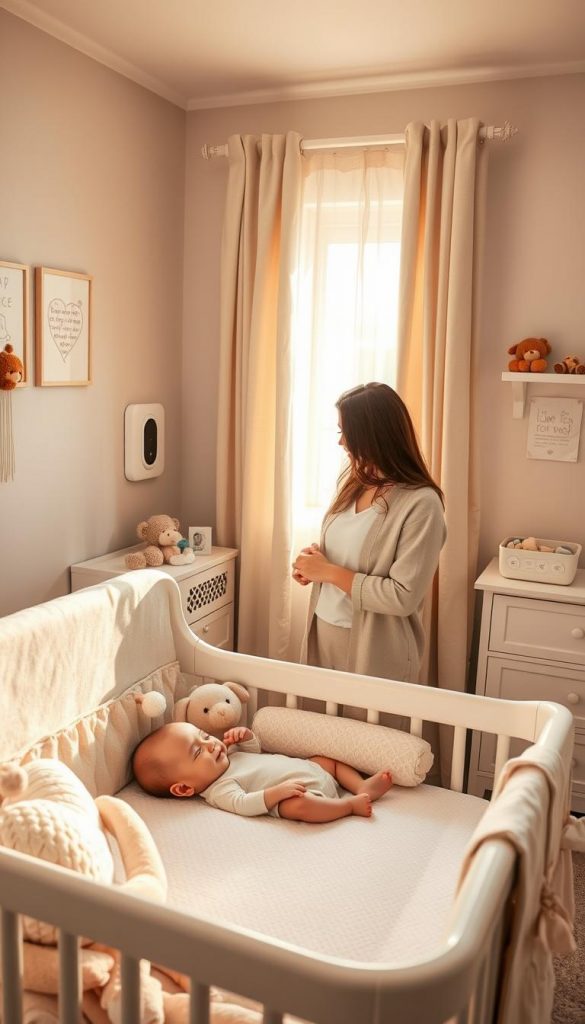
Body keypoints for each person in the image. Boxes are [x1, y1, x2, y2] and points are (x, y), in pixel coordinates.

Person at [292, 382, 446, 685]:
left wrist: (330, 572)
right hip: (324, 632)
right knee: (315, 730)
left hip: (374, 650)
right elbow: (349, 556)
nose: (341, 442)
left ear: (374, 436)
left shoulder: (421, 504)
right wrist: (314, 564)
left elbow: (402, 596)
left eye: (346, 432)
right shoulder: (355, 485)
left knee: (370, 733)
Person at [132, 722, 393, 822]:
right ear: (184, 788)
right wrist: (274, 794)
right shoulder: (219, 789)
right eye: (198, 752)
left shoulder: (230, 754)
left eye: (204, 736)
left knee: (326, 760)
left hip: (310, 769)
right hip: (302, 792)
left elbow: (255, 753)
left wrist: (246, 737)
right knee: (296, 807)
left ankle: (360, 786)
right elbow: (243, 804)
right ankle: (348, 806)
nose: (210, 744)